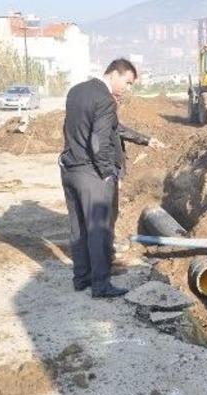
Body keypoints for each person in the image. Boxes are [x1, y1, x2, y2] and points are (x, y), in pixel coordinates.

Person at [59, 58, 163, 297]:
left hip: (69, 169)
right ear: (115, 74)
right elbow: (98, 142)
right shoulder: (105, 99)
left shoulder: (76, 91)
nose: (127, 89)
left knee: (79, 227)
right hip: (91, 174)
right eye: (127, 83)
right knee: (99, 229)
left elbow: (107, 129)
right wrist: (107, 173)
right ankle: (101, 284)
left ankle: (81, 278)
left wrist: (145, 139)